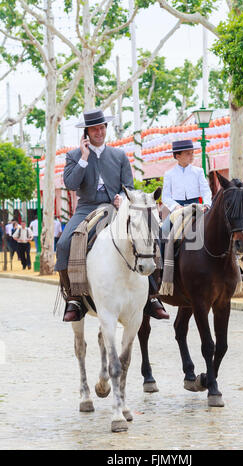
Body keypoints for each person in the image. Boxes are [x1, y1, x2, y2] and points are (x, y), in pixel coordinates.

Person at [56, 108, 168, 322]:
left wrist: (121, 197)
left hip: (116, 208)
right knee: (63, 244)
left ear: (106, 129)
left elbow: (127, 185)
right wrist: (84, 157)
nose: (98, 132)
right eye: (94, 129)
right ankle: (74, 298)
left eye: (101, 128)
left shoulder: (119, 156)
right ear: (86, 133)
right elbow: (70, 184)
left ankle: (153, 296)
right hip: (86, 209)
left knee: (150, 235)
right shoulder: (74, 156)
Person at [161, 140, 212, 239]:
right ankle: (165, 255)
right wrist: (175, 206)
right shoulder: (169, 174)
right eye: (188, 154)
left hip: (197, 207)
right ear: (177, 156)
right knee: (164, 231)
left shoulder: (198, 172)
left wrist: (207, 204)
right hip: (178, 209)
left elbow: (206, 191)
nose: (192, 156)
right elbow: (165, 196)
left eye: (192, 153)